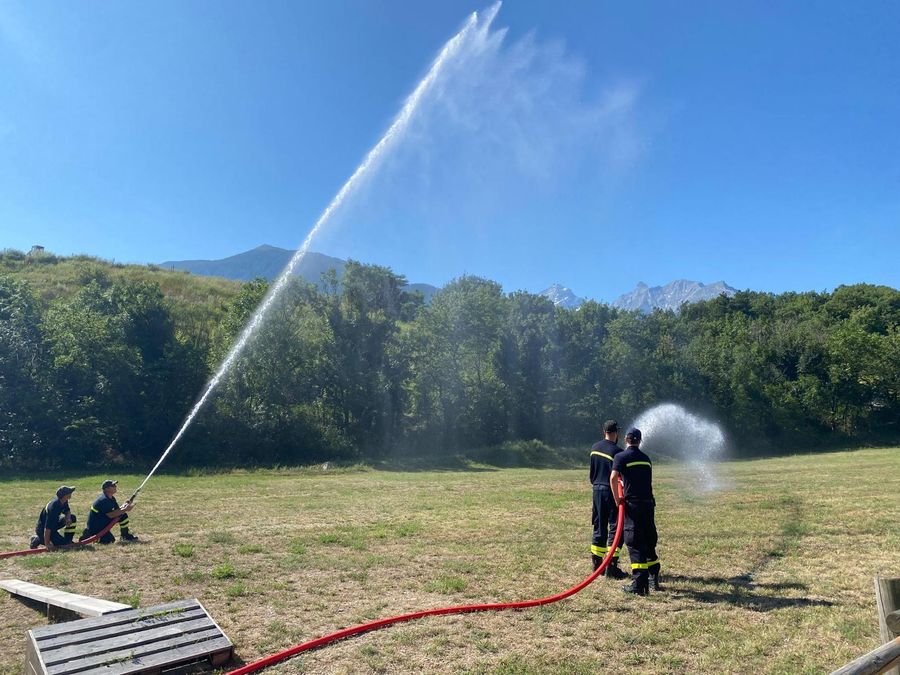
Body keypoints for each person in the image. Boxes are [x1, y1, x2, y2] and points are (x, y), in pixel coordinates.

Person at [610, 428, 661, 595]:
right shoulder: (646, 459)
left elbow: (613, 477)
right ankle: (654, 577)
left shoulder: (620, 457)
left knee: (634, 541)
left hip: (633, 505)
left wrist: (617, 499)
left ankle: (639, 584)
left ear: (626, 440)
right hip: (648, 504)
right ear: (640, 441)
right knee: (648, 539)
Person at [589, 420, 627, 578]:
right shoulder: (618, 452)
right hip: (611, 491)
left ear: (604, 431)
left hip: (596, 490)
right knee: (616, 527)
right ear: (616, 433)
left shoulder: (594, 448)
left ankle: (597, 564)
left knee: (599, 525)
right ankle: (611, 566)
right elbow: (620, 477)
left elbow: (592, 473)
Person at [30, 486, 78, 550]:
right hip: (43, 529)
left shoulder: (64, 501)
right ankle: (38, 539)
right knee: (62, 544)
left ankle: (68, 540)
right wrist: (47, 544)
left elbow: (67, 510)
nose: (71, 493)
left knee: (72, 518)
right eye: (69, 493)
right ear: (64, 496)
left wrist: (68, 517)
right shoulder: (53, 508)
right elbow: (47, 528)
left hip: (54, 524)